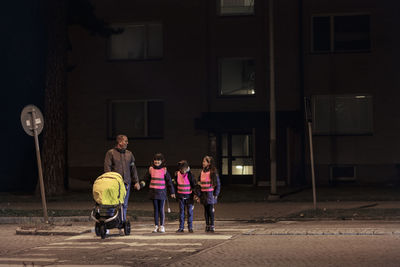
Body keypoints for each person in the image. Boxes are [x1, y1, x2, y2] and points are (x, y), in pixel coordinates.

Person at [104, 134, 140, 223]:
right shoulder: (111, 153)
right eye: (126, 141)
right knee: (112, 203)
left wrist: (136, 181)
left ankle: (121, 223)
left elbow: (133, 168)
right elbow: (107, 167)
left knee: (124, 204)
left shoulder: (129, 154)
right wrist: (109, 180)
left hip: (126, 183)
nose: (127, 143)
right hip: (114, 184)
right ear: (120, 142)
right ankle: (108, 223)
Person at [143, 153, 175, 233]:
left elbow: (169, 182)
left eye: (158, 160)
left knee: (161, 209)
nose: (156, 162)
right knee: (156, 210)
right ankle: (156, 225)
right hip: (153, 192)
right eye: (155, 160)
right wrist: (141, 183)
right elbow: (146, 178)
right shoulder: (151, 169)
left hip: (162, 193)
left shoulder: (164, 170)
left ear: (162, 161)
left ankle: (162, 226)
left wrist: (172, 192)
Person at [195, 155, 221, 233]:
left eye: (204, 161)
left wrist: (216, 194)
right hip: (203, 194)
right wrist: (198, 195)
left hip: (210, 194)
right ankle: (207, 225)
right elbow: (199, 184)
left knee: (210, 210)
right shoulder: (202, 172)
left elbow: (218, 184)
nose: (203, 163)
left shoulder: (213, 172)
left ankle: (212, 225)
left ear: (209, 163)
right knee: (206, 210)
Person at [174, 160, 196, 233]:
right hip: (181, 196)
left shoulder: (190, 175)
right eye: (181, 169)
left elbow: (194, 185)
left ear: (186, 168)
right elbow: (175, 184)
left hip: (189, 197)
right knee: (181, 212)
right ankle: (181, 227)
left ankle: (190, 227)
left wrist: (195, 195)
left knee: (190, 212)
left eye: (183, 169)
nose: (182, 171)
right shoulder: (177, 174)